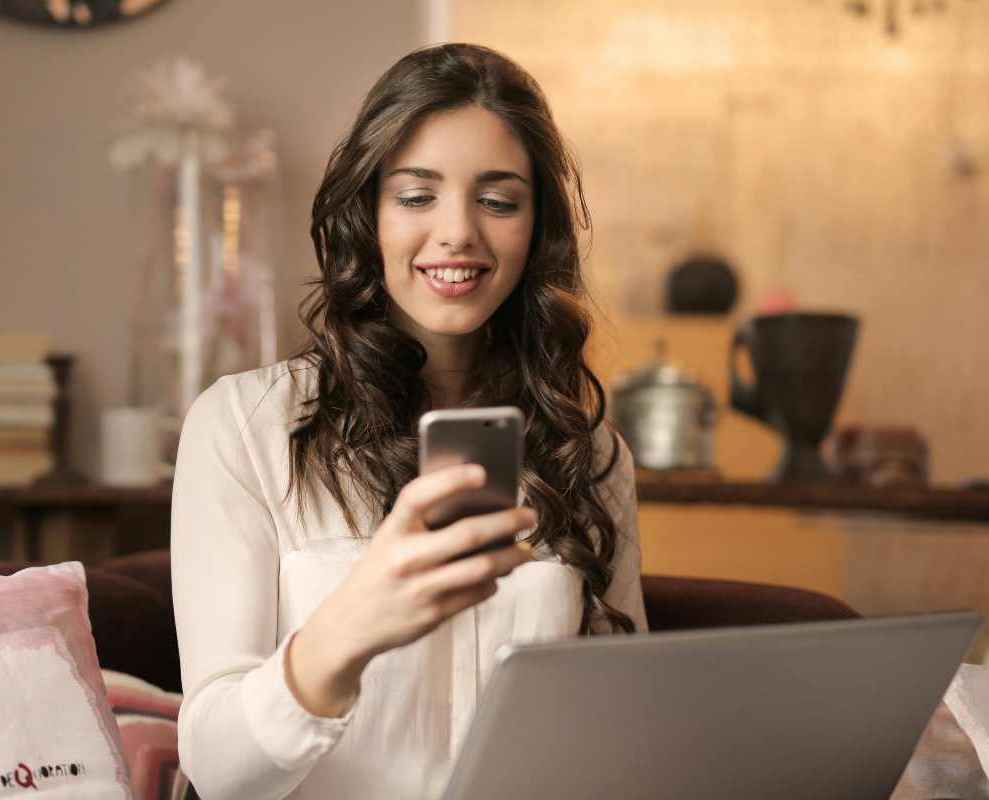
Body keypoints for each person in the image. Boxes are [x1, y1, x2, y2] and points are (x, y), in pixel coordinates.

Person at [170, 42, 648, 800]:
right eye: (417, 195)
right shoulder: (243, 427)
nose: (458, 232)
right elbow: (217, 768)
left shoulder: (584, 451)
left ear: (537, 227)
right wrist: (351, 625)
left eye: (498, 200)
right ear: (367, 211)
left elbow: (618, 731)